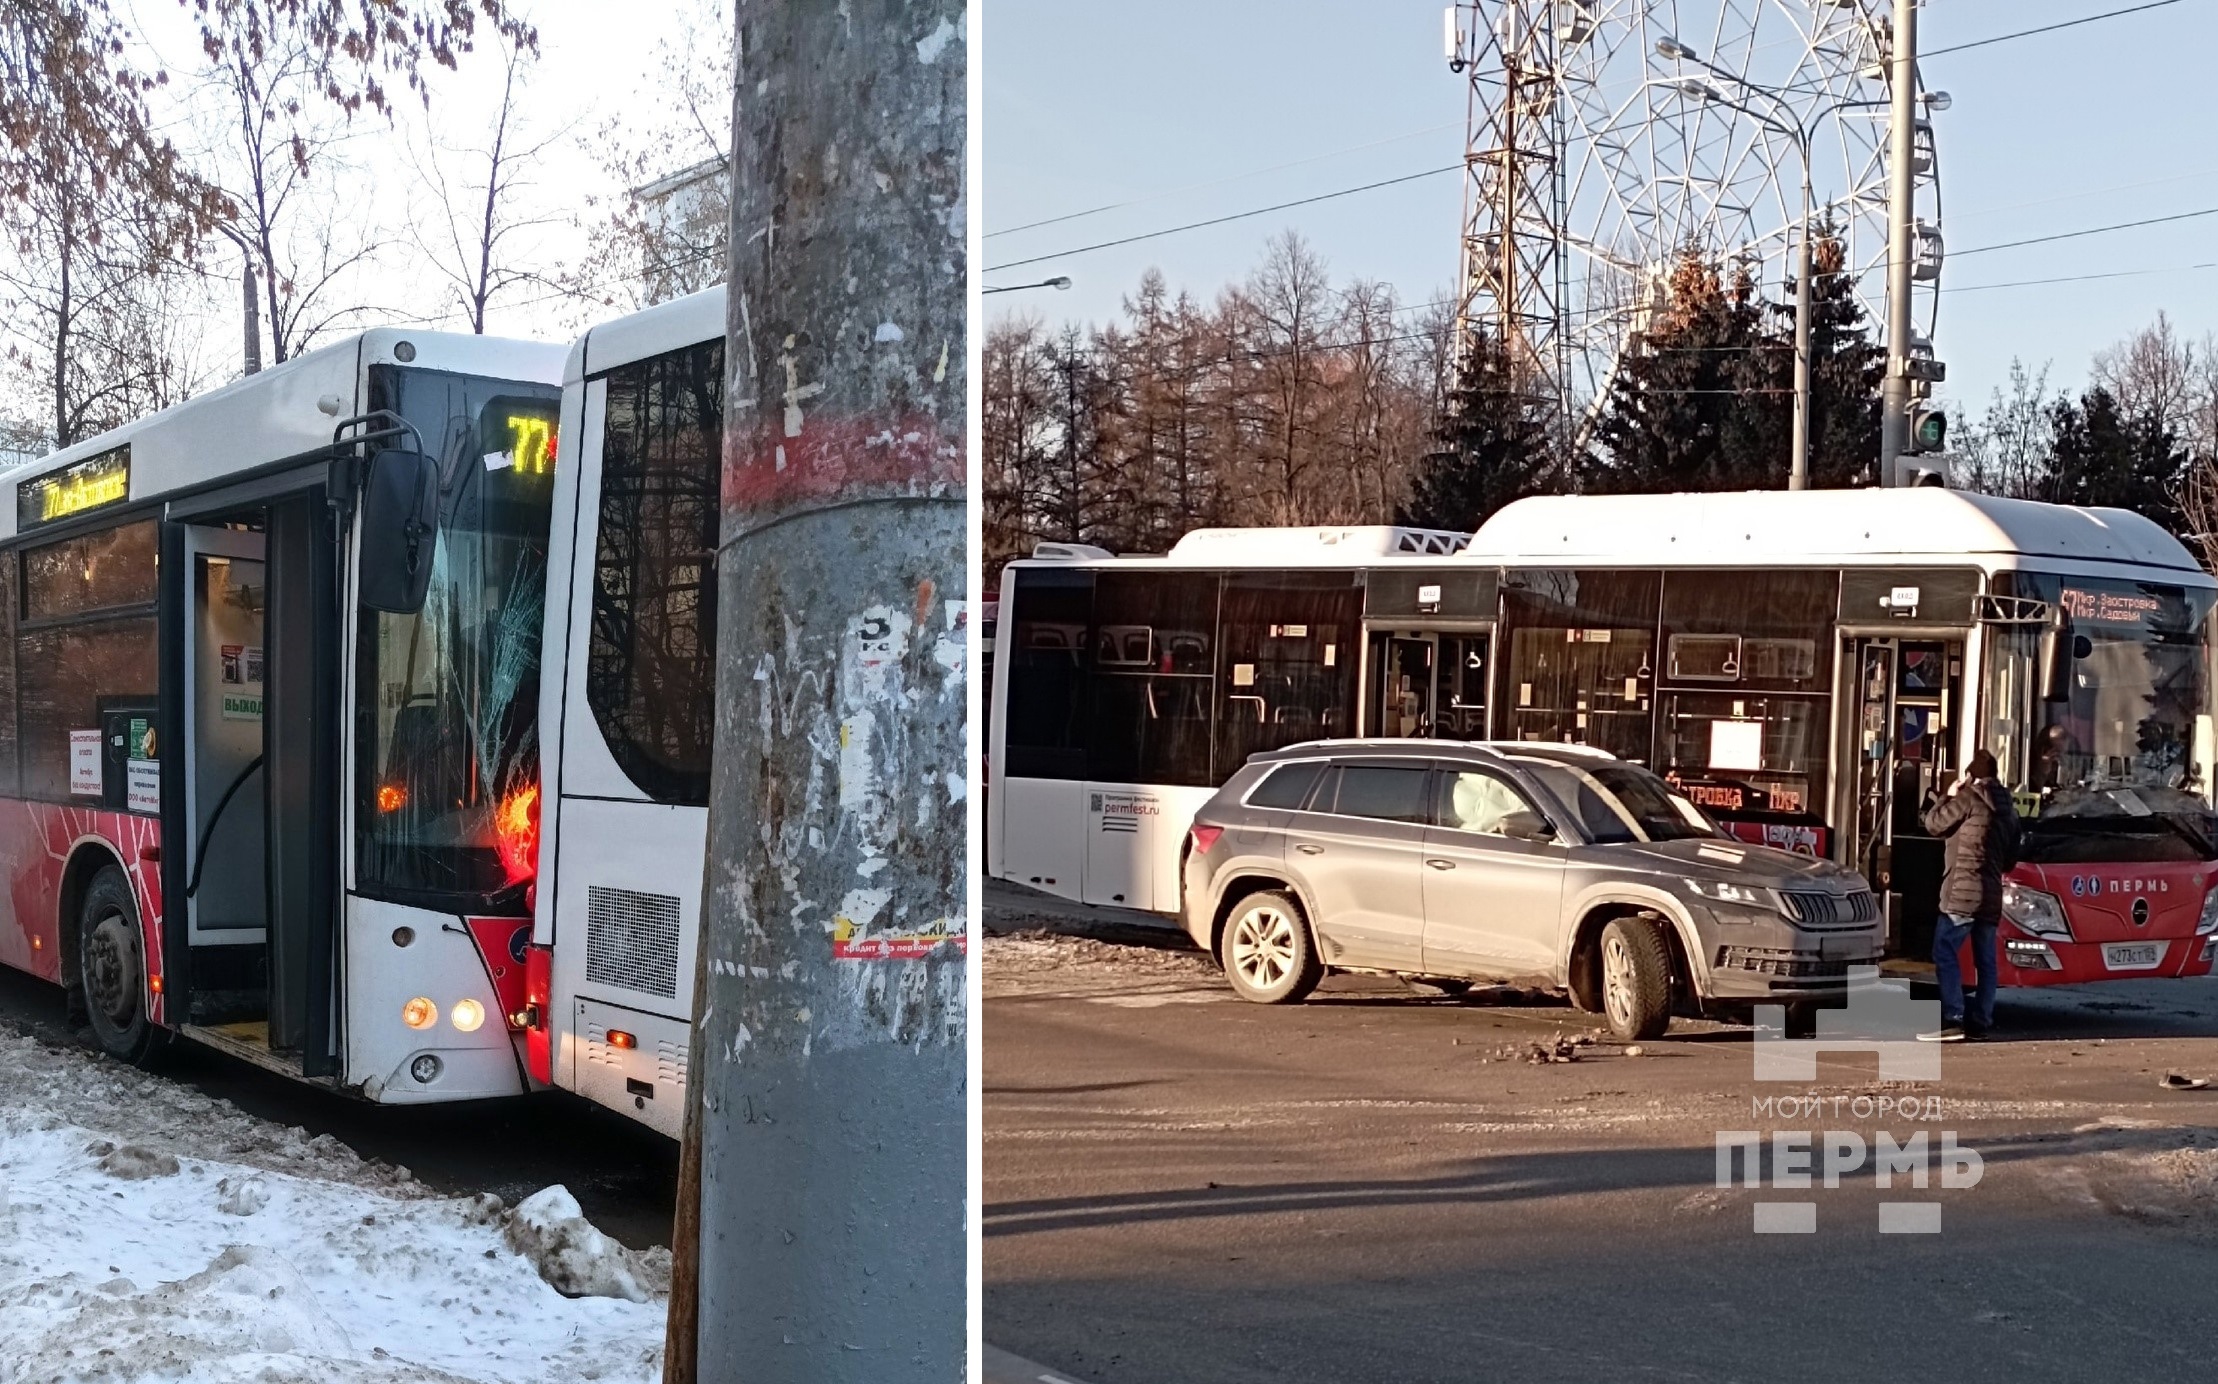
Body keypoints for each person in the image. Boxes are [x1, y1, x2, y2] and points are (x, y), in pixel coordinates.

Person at [1918, 749, 2022, 1042]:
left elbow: (1934, 824)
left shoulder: (1967, 799)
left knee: (1944, 950)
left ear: (1970, 775)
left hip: (1961, 894)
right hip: (1990, 895)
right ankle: (1981, 1021)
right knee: (1985, 961)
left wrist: (1946, 796)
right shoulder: (2009, 810)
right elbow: (2010, 861)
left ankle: (1953, 1017)